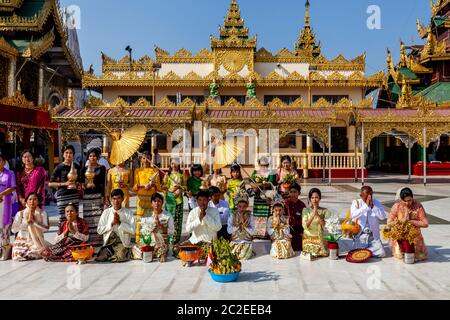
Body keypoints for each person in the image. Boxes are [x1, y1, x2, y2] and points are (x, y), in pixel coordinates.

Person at [175, 190, 221, 261]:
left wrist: (206, 217)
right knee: (176, 249)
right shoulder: (193, 212)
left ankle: (197, 255)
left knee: (212, 253)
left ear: (208, 200)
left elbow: (218, 227)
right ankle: (196, 254)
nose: (202, 202)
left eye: (204, 200)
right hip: (194, 242)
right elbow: (188, 229)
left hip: (209, 243)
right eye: (200, 200)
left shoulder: (214, 211)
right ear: (196, 201)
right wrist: (198, 219)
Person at [388, 187, 429, 262]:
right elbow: (389, 222)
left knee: (419, 256)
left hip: (415, 236)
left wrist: (411, 222)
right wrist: (399, 222)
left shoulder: (418, 206)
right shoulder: (397, 206)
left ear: (412, 198)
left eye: (409, 200)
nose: (407, 203)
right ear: (401, 199)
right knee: (400, 254)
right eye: (405, 201)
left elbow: (426, 224)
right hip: (400, 235)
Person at [132, 193, 174, 262]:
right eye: (154, 201)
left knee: (161, 247)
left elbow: (172, 232)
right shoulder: (147, 215)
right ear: (151, 203)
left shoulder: (167, 215)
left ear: (162, 203)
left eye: (159, 201)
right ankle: (152, 253)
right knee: (135, 248)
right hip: (148, 241)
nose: (156, 203)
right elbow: (142, 230)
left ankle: (155, 253)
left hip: (161, 241)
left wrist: (161, 226)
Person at [96, 189, 135, 263]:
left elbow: (133, 231)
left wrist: (120, 223)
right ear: (111, 200)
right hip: (109, 243)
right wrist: (111, 224)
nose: (116, 201)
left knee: (119, 257)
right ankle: (110, 251)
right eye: (114, 199)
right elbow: (99, 230)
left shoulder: (128, 213)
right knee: (100, 258)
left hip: (121, 242)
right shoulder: (106, 212)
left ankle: (118, 253)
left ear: (123, 199)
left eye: (118, 198)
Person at [132, 152, 162, 243]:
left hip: (152, 198)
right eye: (144, 158)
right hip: (141, 198)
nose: (146, 160)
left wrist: (152, 184)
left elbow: (159, 187)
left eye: (148, 158)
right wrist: (143, 185)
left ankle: (151, 241)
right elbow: (134, 186)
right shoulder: (138, 171)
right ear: (141, 159)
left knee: (151, 219)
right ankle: (139, 241)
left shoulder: (155, 171)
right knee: (140, 220)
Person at [350, 186, 386, 257]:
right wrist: (366, 206)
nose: (369, 197)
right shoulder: (356, 202)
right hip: (360, 234)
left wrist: (373, 206)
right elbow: (353, 215)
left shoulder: (376, 203)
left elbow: (382, 217)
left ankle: (366, 252)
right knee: (355, 252)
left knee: (382, 253)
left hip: (373, 235)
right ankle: (367, 251)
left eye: (371, 195)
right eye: (366, 196)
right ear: (361, 195)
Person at [49, 145, 81, 225]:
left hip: (74, 195)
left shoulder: (77, 166)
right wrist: (64, 184)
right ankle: (62, 236)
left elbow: (80, 181)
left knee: (75, 218)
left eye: (70, 153)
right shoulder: (59, 167)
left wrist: (78, 184)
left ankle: (74, 236)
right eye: (66, 153)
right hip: (63, 195)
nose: (68, 155)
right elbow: (50, 183)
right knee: (63, 218)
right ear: (63, 154)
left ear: (73, 155)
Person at [11, 193, 49, 261]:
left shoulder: (42, 213)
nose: (32, 201)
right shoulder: (20, 213)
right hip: (22, 240)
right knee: (18, 254)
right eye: (30, 199)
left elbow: (46, 229)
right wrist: (26, 222)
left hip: (36, 240)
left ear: (38, 201)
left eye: (35, 199)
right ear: (26, 201)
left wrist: (34, 222)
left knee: (37, 251)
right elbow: (13, 230)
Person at [81, 148, 107, 247]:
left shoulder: (102, 168)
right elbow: (81, 183)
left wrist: (104, 197)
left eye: (95, 156)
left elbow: (104, 184)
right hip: (87, 196)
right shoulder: (84, 169)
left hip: (98, 196)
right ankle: (89, 241)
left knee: (98, 219)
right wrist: (85, 185)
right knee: (88, 219)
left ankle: (99, 241)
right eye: (90, 156)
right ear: (88, 157)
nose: (92, 158)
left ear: (98, 157)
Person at [251, 157, 277, 238]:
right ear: (259, 165)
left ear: (268, 165)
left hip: (266, 197)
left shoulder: (271, 173)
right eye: (262, 165)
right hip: (258, 197)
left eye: (266, 165)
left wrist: (259, 184)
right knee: (257, 214)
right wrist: (255, 185)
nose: (264, 167)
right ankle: (257, 233)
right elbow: (251, 182)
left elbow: (270, 183)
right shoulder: (255, 172)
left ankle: (265, 233)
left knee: (266, 214)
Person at [302, 188, 331, 258]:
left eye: (316, 197)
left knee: (323, 252)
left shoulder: (325, 211)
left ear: (320, 198)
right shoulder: (305, 210)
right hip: (309, 237)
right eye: (312, 198)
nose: (314, 200)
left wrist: (318, 215)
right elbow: (305, 226)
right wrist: (312, 215)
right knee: (311, 250)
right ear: (310, 199)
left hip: (320, 237)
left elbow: (326, 226)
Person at [163, 158, 187, 245]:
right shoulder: (167, 175)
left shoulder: (182, 175)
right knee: (168, 220)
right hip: (169, 200)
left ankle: (176, 240)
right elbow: (164, 186)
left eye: (176, 163)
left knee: (177, 220)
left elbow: (185, 187)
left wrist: (180, 189)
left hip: (178, 201)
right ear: (170, 164)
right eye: (172, 163)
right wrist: (170, 189)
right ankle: (168, 239)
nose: (174, 165)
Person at [227, 193, 255, 260]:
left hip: (246, 241)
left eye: (244, 206)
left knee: (242, 255)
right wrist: (238, 224)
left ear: (247, 206)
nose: (242, 208)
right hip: (235, 241)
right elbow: (229, 231)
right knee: (231, 255)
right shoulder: (232, 216)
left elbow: (253, 232)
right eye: (240, 206)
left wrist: (245, 225)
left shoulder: (250, 216)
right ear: (237, 206)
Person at [0, 154, 16, 259]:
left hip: (5, 202)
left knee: (4, 226)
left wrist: (1, 194)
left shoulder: (10, 173)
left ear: (4, 161)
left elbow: (13, 187)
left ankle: (4, 251)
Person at [284, 184, 306, 251]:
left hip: (297, 230)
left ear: (299, 193)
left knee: (298, 249)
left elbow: (304, 220)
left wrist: (302, 232)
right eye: (291, 192)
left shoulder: (302, 205)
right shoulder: (285, 203)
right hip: (286, 229)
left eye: (295, 192)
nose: (293, 194)